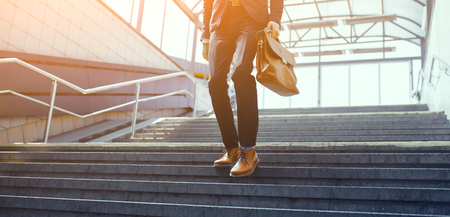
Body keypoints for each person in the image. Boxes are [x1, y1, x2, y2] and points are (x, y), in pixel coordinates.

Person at [201, 0, 283, 177]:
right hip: (220, 23)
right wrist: (205, 35)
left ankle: (248, 151)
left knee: (241, 73)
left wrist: (275, 18)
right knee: (215, 81)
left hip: (250, 19)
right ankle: (232, 148)